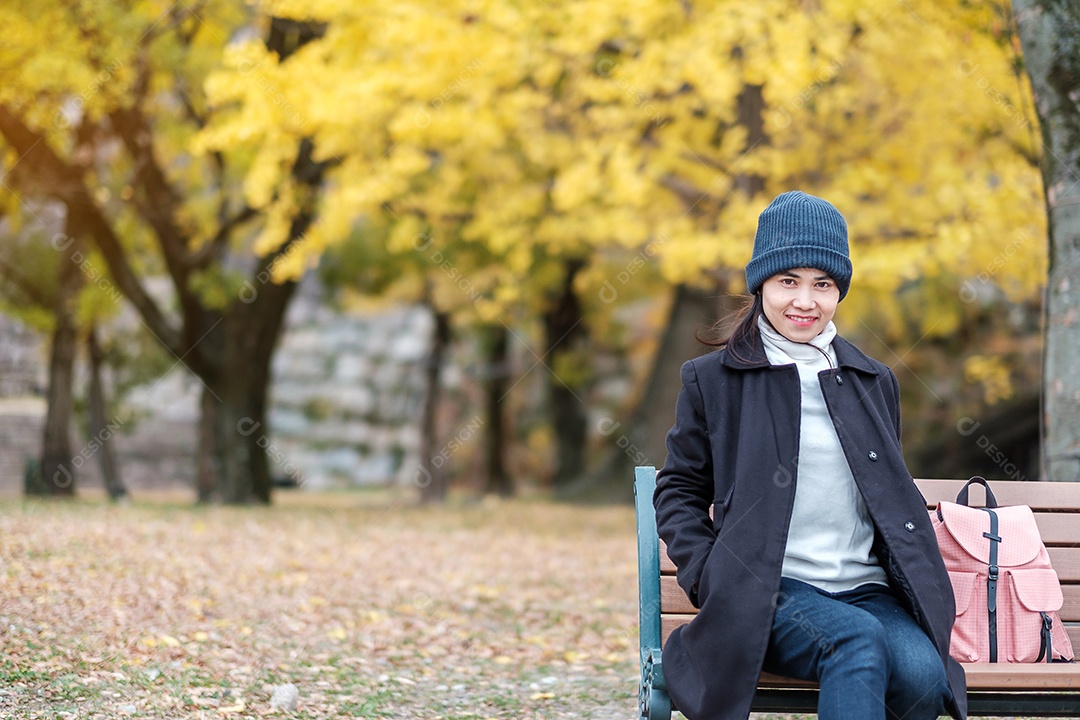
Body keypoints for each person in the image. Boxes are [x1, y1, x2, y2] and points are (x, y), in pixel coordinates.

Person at [653, 191, 966, 720]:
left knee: (923, 679)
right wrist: (710, 576)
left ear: (839, 290)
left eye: (823, 284)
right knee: (856, 640)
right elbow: (679, 490)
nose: (805, 301)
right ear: (761, 285)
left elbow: (887, 489)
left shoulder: (872, 380)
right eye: (788, 281)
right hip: (769, 590)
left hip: (865, 589)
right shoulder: (714, 380)